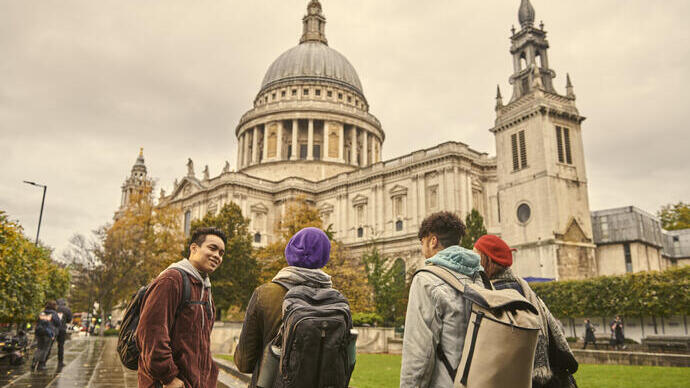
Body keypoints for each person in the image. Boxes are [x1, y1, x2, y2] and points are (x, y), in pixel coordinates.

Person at [234, 227, 335, 388]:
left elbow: (244, 362)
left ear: (290, 252)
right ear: (325, 257)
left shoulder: (266, 294)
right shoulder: (336, 300)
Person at [473, 234, 578, 388]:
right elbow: (555, 334)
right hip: (544, 378)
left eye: (476, 257)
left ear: (486, 261)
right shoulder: (527, 290)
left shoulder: (492, 296)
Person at [400, 211, 484, 387]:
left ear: (432, 240)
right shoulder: (480, 276)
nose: (422, 249)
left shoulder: (426, 280)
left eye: (422, 242)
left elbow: (419, 353)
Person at [136, 227, 226, 388]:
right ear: (194, 248)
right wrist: (168, 377)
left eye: (221, 253)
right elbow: (151, 334)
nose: (217, 256)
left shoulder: (204, 288)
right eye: (212, 248)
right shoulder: (171, 280)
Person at [32, 300, 61, 371]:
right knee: (45, 349)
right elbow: (58, 323)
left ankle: (34, 361)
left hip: (39, 332)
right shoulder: (54, 314)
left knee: (39, 348)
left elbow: (38, 321)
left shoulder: (42, 313)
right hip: (48, 333)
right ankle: (41, 364)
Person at [56, 299, 73, 367]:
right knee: (60, 345)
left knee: (48, 345)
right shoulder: (67, 309)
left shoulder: (55, 308)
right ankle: (60, 361)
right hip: (62, 329)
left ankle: (42, 361)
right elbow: (69, 319)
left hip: (53, 328)